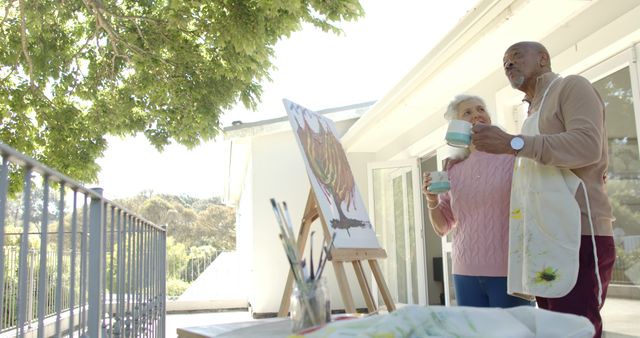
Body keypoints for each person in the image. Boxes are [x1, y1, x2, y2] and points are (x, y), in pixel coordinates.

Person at [471, 41, 615, 338]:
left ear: (544, 59)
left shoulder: (572, 87)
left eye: (516, 57)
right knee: (551, 331)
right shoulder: (531, 113)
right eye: (505, 62)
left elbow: (587, 146)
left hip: (581, 233)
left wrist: (513, 143)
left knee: (576, 330)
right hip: (544, 237)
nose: (508, 65)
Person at [422, 94, 533, 308]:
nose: (477, 115)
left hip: (511, 270)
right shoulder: (453, 170)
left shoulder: (515, 156)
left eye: (481, 109)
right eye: (468, 112)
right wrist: (431, 199)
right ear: (456, 125)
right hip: (465, 273)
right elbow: (443, 226)